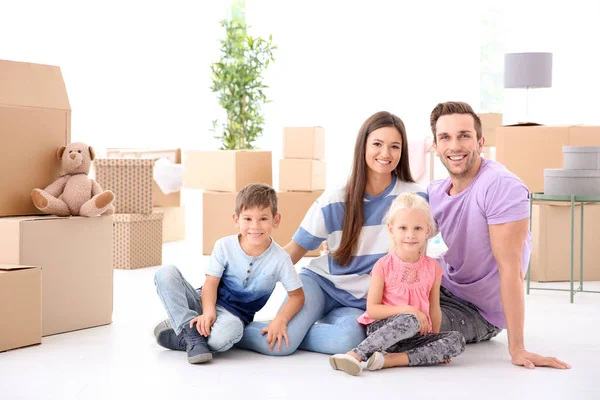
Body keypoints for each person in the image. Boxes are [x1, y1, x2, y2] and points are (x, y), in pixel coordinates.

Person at [236, 111, 426, 356]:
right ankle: (219, 329)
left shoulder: (414, 198)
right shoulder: (336, 198)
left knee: (347, 340)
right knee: (278, 345)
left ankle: (293, 332)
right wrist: (243, 286)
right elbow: (294, 250)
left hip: (362, 302)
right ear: (363, 147)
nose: (385, 154)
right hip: (320, 284)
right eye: (377, 144)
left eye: (394, 146)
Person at [427, 101, 570, 370]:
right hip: (443, 285)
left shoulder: (501, 186)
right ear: (435, 146)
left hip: (477, 311)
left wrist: (518, 349)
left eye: (464, 136)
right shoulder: (436, 190)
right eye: (445, 137)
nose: (454, 146)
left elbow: (511, 269)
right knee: (375, 301)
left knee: (405, 324)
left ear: (480, 142)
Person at [152, 183, 305, 363]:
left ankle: (183, 331)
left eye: (263, 218)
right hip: (204, 301)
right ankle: (190, 330)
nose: (255, 226)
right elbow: (211, 283)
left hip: (233, 317)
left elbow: (297, 296)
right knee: (166, 273)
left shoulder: (280, 259)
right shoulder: (224, 246)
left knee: (227, 334)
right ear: (236, 219)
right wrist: (208, 311)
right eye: (247, 219)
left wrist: (280, 320)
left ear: (276, 220)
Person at [328, 193, 465, 376]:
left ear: (427, 231)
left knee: (457, 340)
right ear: (391, 229)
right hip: (384, 330)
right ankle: (356, 355)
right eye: (403, 228)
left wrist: (435, 340)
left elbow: (434, 309)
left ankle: (388, 360)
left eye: (417, 228)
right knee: (410, 319)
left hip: (415, 335)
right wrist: (409, 310)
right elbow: (373, 309)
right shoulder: (383, 265)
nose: (410, 235)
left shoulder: (433, 268)